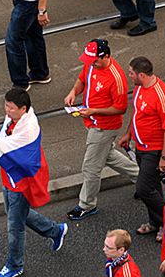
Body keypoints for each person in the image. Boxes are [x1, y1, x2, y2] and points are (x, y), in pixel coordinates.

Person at [0, 88, 67, 277]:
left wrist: (0, 147)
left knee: (15, 226)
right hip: (11, 176)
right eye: (5, 105)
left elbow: (23, 156)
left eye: (11, 107)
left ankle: (15, 266)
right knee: (15, 213)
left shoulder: (29, 127)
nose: (7, 111)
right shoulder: (15, 119)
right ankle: (55, 230)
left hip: (21, 181)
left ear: (23, 109)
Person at [64, 39, 139, 220]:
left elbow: (120, 108)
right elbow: (82, 79)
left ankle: (87, 205)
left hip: (104, 127)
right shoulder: (92, 64)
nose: (91, 64)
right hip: (93, 123)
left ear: (106, 56)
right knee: (108, 156)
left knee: (91, 167)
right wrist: (74, 92)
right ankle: (144, 179)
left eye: (95, 61)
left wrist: (93, 111)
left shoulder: (116, 78)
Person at [119, 56, 165, 242]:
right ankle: (156, 222)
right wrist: (128, 134)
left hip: (156, 150)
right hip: (141, 147)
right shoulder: (139, 88)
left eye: (131, 73)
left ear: (141, 75)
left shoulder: (161, 94)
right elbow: (137, 113)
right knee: (153, 186)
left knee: (143, 189)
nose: (129, 76)